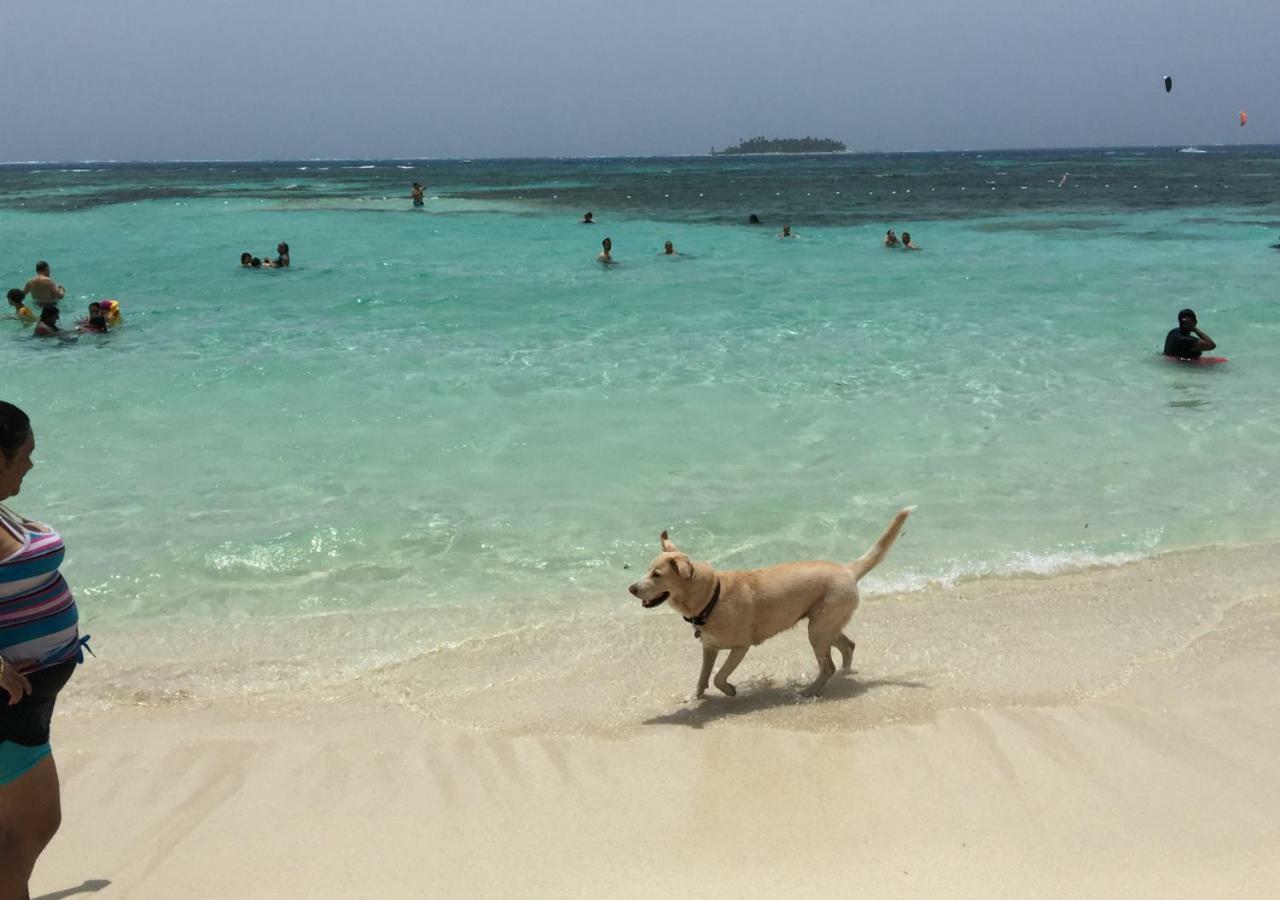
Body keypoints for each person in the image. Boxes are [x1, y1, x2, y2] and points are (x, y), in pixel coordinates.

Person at [0, 401, 87, 900]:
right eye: (25, 454)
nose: (31, 464)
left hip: (24, 700)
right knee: (33, 826)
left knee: (10, 832)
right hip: (10, 702)